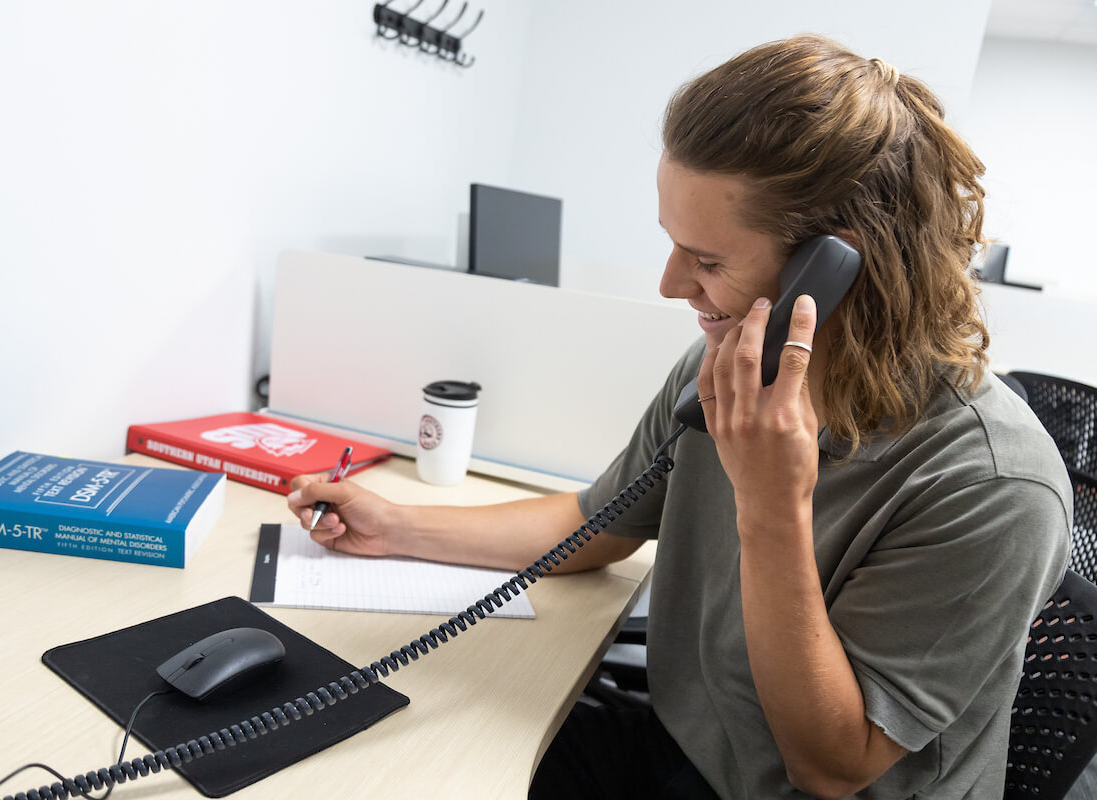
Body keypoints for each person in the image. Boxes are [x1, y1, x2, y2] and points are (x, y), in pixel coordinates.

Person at [288, 34, 1073, 800]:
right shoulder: (724, 371)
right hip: (679, 745)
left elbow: (833, 765)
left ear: (833, 270)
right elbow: (600, 524)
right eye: (673, 245)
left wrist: (771, 503)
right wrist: (397, 528)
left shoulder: (993, 485)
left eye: (707, 260)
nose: (670, 285)